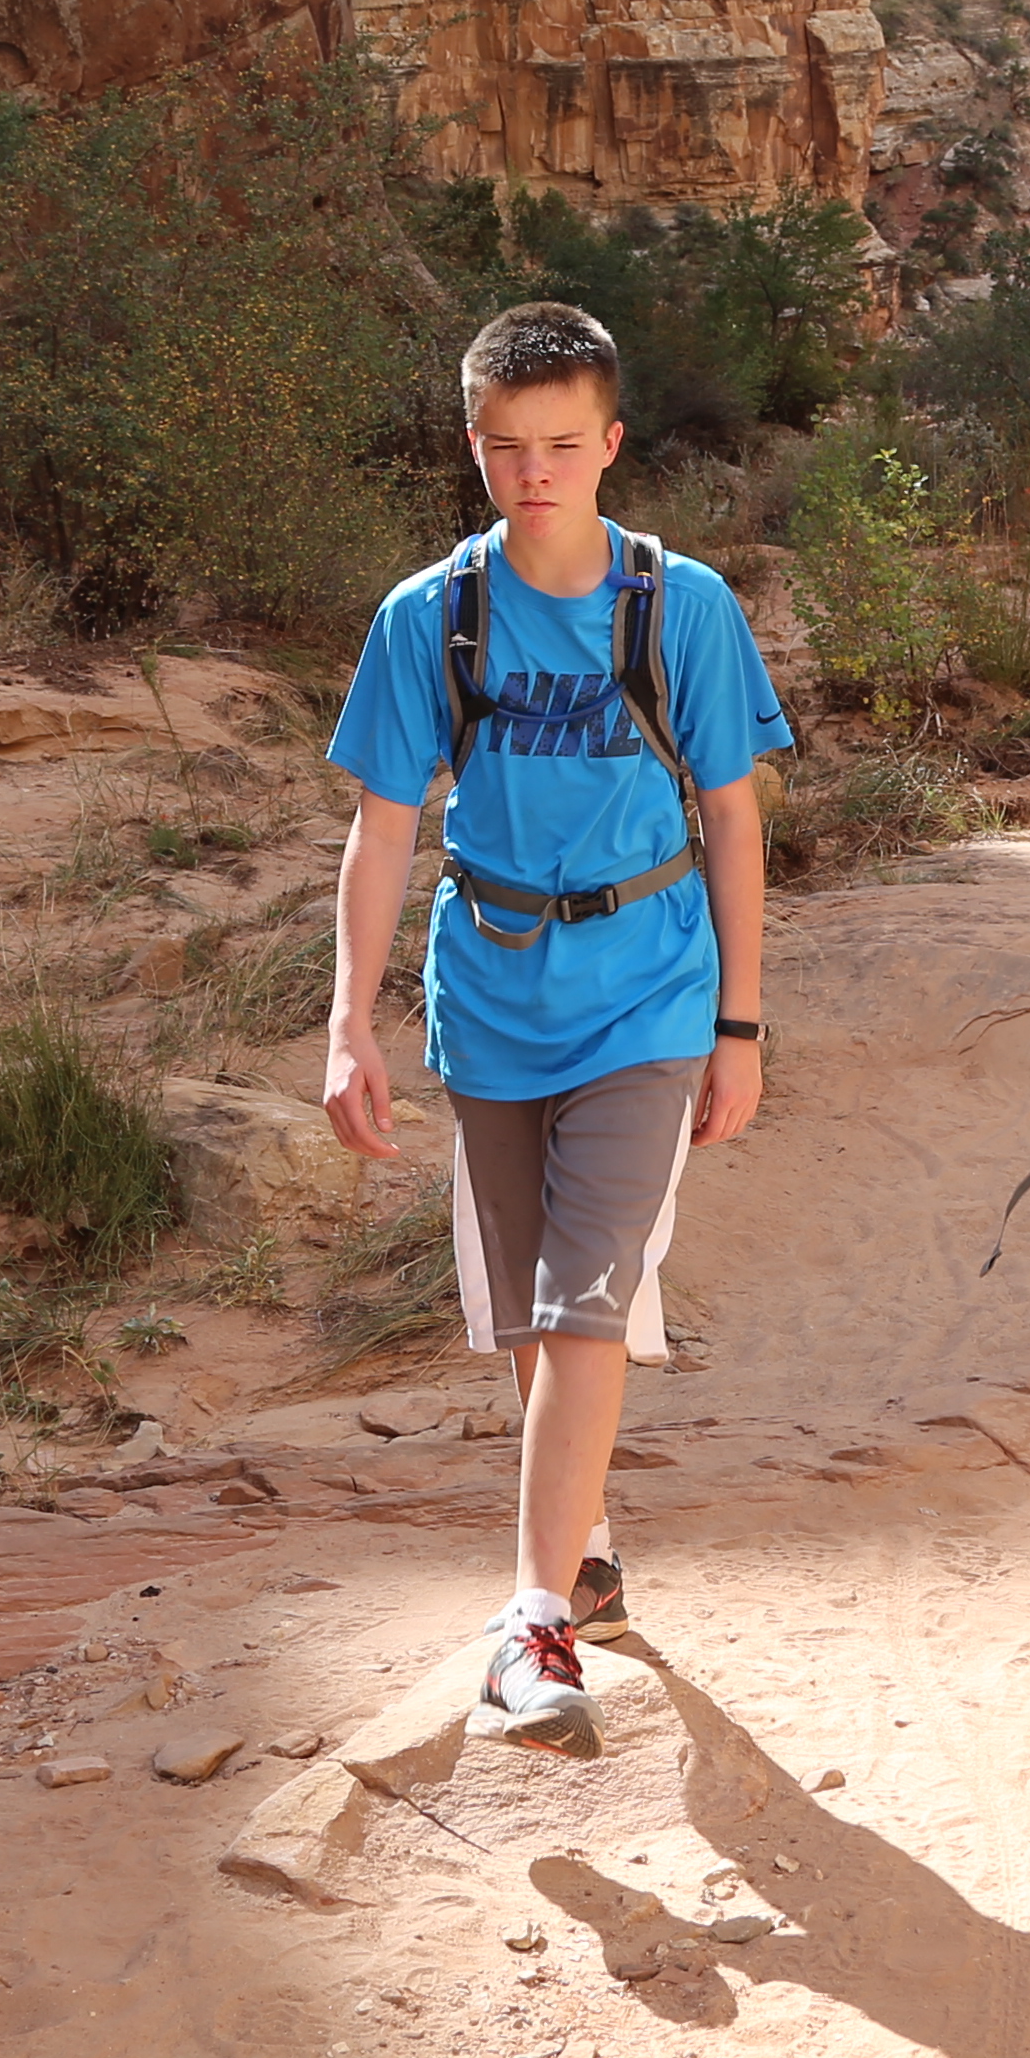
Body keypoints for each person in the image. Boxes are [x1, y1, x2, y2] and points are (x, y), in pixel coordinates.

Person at [321, 302, 785, 1753]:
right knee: (526, 1319)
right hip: (492, 997)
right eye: (508, 448)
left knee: (584, 1306)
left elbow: (731, 820)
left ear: (613, 445)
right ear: (473, 445)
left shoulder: (681, 606)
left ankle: (533, 1624)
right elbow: (382, 832)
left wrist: (741, 1022)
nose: (536, 474)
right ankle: (580, 1548)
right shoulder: (432, 617)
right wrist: (350, 1021)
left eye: (565, 447)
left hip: (647, 996)